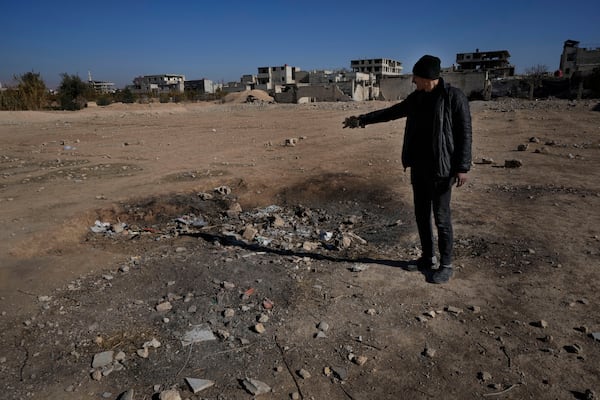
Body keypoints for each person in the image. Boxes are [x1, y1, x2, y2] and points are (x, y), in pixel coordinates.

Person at [343, 55, 472, 284]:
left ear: (427, 78)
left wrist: (462, 167)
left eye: (416, 77)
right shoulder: (417, 98)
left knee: (441, 218)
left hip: (442, 169)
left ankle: (446, 264)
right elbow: (391, 112)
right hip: (419, 167)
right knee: (421, 215)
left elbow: (465, 134)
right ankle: (428, 258)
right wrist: (361, 119)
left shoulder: (453, 97)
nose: (413, 81)